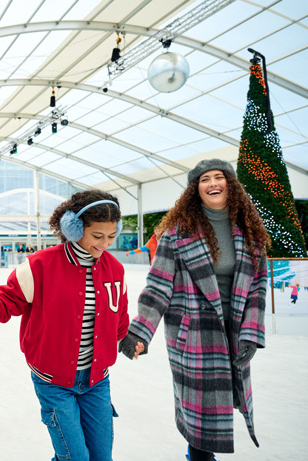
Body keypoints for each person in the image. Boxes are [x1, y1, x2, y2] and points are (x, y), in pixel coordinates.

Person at [119, 159, 270, 461]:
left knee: (223, 403)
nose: (213, 184)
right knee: (200, 414)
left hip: (235, 331)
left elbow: (258, 286)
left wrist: (252, 333)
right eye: (204, 180)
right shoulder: (177, 234)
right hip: (194, 335)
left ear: (231, 184)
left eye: (219, 177)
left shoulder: (250, 232)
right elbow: (158, 286)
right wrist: (138, 332)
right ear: (195, 189)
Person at [0, 189, 144, 461]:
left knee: (101, 456)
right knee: (74, 457)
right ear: (74, 227)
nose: (104, 244)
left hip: (96, 380)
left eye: (111, 236)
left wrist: (125, 339)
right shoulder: (41, 265)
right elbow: (7, 299)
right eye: (97, 236)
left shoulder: (115, 269)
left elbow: (120, 315)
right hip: (53, 382)